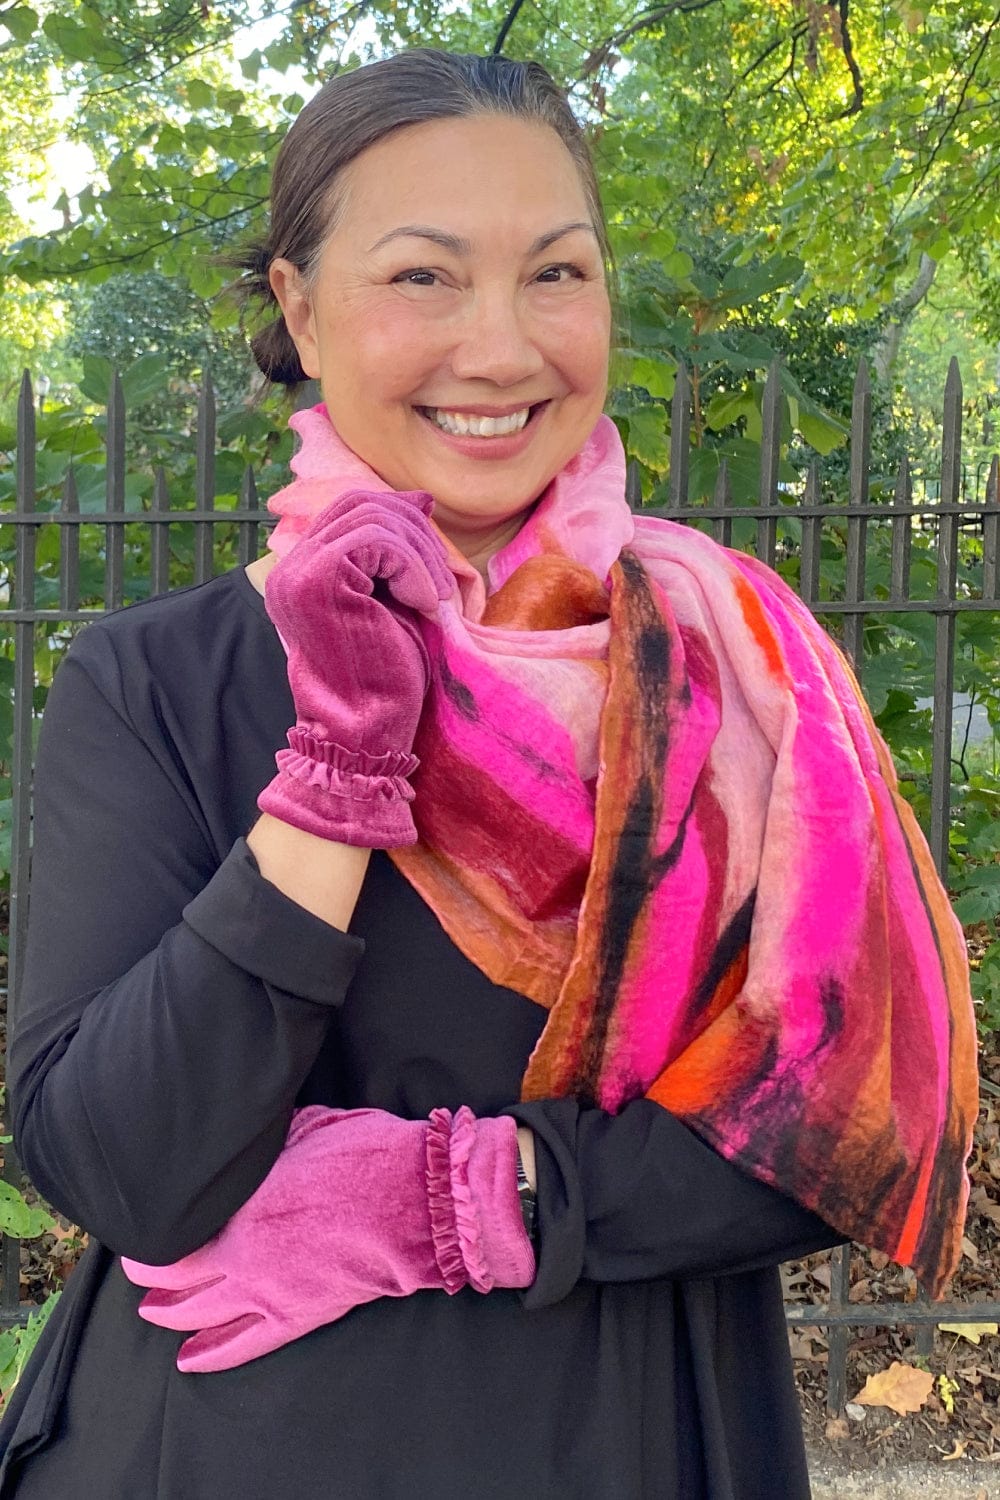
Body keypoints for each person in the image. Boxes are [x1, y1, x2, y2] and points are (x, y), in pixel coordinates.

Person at [0, 48, 977, 1500]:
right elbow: (125, 1167)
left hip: (635, 1432)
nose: (505, 347)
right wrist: (337, 766)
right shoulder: (156, 686)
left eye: (557, 274)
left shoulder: (740, 675)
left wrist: (465, 1201)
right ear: (299, 309)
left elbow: (852, 1122)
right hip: (216, 1453)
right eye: (424, 278)